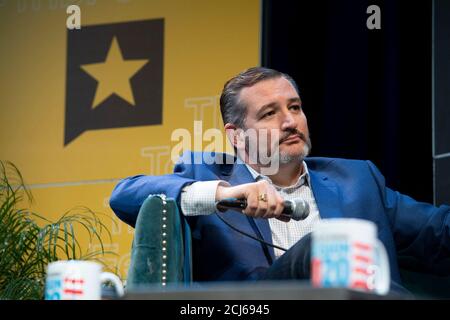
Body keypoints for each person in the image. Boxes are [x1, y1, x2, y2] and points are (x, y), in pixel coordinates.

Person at [110, 67, 450, 294]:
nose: (290, 121)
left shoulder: (356, 180)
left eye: (295, 107)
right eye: (270, 113)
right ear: (237, 136)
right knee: (327, 247)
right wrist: (223, 194)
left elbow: (437, 232)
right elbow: (124, 195)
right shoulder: (207, 174)